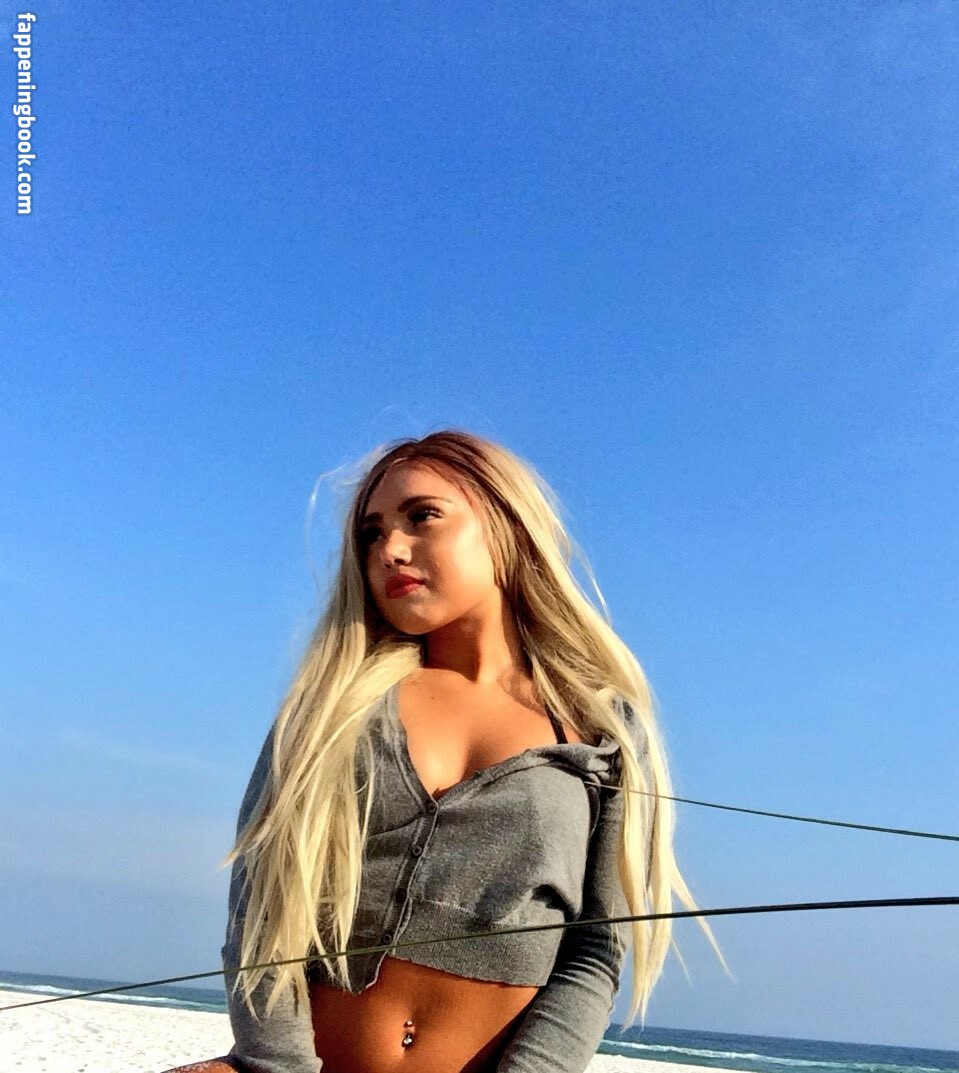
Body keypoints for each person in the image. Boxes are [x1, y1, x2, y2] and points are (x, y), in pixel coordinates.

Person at [166, 429, 710, 1073]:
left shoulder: (601, 728)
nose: (390, 549)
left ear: (506, 525)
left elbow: (594, 952)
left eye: (422, 516)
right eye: (371, 534)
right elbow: (261, 910)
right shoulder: (333, 707)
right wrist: (278, 1069)